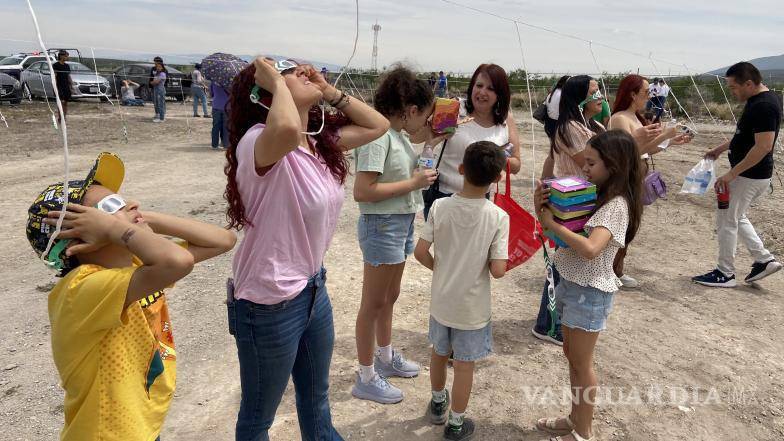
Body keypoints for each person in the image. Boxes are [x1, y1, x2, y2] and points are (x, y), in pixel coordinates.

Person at [224, 56, 388, 441]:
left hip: (313, 288)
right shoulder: (259, 141)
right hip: (269, 299)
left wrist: (327, 91)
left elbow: (377, 125)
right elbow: (282, 128)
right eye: (286, 68)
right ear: (264, 92)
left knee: (316, 399)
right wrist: (277, 83)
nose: (301, 69)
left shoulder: (316, 143)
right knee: (257, 417)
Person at [25, 152, 236, 441]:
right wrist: (117, 227)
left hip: (141, 425)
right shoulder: (81, 290)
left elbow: (222, 240)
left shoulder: (135, 267)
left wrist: (137, 218)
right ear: (78, 240)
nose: (131, 204)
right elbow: (178, 262)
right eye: (111, 205)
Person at [533, 130, 644, 441]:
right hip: (572, 282)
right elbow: (558, 233)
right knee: (572, 355)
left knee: (582, 365)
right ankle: (573, 418)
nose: (584, 168)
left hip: (590, 291)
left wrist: (552, 223)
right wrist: (543, 208)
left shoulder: (617, 205)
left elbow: (591, 248)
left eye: (591, 163)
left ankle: (583, 432)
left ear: (615, 166)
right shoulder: (596, 194)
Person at [351, 65, 444, 404]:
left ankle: (385, 358)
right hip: (382, 224)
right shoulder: (377, 137)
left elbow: (406, 170)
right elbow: (363, 190)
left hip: (399, 222)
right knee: (372, 303)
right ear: (411, 110)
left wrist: (429, 146)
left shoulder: (398, 135)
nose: (425, 123)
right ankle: (365, 376)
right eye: (425, 115)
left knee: (389, 297)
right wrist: (413, 183)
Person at [415, 141, 509, 441]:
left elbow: (419, 252)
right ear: (496, 179)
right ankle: (456, 423)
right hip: (472, 309)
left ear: (461, 170)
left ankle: (438, 401)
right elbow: (497, 270)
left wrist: (441, 270)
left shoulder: (440, 206)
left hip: (442, 302)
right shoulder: (497, 217)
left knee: (439, 354)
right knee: (465, 367)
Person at [693, 62, 783, 287]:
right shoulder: (757, 101)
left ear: (749, 83)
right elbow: (744, 136)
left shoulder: (764, 106)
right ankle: (764, 259)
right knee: (736, 217)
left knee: (726, 221)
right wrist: (719, 149)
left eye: (734, 87)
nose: (732, 92)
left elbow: (763, 146)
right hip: (751, 176)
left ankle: (725, 273)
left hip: (749, 176)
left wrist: (731, 174)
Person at [534, 75, 605, 346]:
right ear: (579, 97)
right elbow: (588, 161)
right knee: (561, 263)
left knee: (567, 263)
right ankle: (547, 323)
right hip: (572, 203)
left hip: (583, 201)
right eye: (594, 92)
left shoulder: (590, 124)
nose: (600, 98)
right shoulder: (570, 128)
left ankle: (554, 321)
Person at [608, 74, 690, 288]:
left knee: (630, 226)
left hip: (636, 179)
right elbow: (628, 154)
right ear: (632, 94)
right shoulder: (619, 119)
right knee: (620, 227)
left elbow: (646, 151)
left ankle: (617, 270)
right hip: (624, 179)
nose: (650, 96)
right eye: (646, 92)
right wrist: (663, 136)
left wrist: (671, 141)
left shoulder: (635, 117)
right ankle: (611, 271)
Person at [422, 63, 522, 219]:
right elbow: (420, 137)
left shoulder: (505, 119)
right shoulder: (455, 108)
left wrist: (495, 156)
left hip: (481, 200)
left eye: (491, 88)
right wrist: (434, 124)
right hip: (444, 196)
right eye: (479, 85)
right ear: (472, 86)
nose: (482, 92)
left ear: (500, 94)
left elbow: (516, 165)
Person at [52, 50, 72, 122]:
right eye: (66, 56)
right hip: (59, 85)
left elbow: (68, 76)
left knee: (66, 102)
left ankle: (64, 117)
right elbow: (55, 76)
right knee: (61, 102)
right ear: (61, 56)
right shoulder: (56, 65)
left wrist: (71, 85)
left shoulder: (67, 66)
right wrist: (55, 87)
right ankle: (60, 117)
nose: (67, 57)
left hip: (66, 85)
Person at [210, 81, 230, 149]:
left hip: (216, 106)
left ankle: (214, 145)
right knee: (226, 127)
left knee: (215, 126)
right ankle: (226, 145)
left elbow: (211, 94)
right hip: (227, 106)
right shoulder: (230, 82)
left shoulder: (213, 82)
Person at [150, 56, 168, 123]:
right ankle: (159, 116)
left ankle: (162, 118)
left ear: (162, 67)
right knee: (157, 102)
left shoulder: (163, 74)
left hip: (160, 89)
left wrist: (154, 82)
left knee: (161, 103)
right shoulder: (157, 74)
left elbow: (156, 82)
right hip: (156, 89)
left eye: (159, 67)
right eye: (157, 67)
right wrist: (153, 82)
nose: (157, 68)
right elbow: (153, 81)